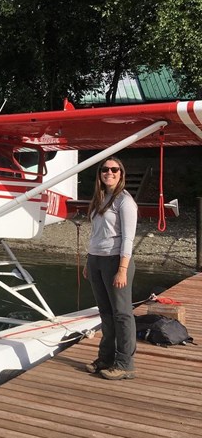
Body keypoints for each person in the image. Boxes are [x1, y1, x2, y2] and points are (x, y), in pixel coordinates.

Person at [83, 156, 138, 380]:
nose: (109, 172)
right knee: (105, 313)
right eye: (105, 169)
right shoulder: (99, 199)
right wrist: (89, 261)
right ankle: (105, 358)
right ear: (100, 174)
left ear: (121, 173)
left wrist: (122, 268)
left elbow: (128, 238)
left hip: (116, 260)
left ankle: (125, 363)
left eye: (114, 169)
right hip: (96, 259)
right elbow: (96, 234)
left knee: (122, 314)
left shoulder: (124, 201)